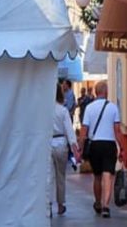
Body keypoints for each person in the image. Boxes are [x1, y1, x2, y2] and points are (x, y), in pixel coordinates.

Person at [78, 81, 125, 218]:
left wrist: (80, 147)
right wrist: (121, 148)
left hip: (95, 145)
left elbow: (84, 130)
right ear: (106, 91)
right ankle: (106, 206)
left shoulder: (89, 108)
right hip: (109, 145)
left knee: (97, 176)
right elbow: (117, 131)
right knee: (107, 176)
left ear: (96, 92)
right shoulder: (113, 108)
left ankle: (98, 202)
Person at [47, 81, 75, 216]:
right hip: (61, 143)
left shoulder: (44, 110)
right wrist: (74, 147)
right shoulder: (63, 110)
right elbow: (69, 130)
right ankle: (60, 205)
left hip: (47, 144)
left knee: (48, 177)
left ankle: (48, 204)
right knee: (60, 176)